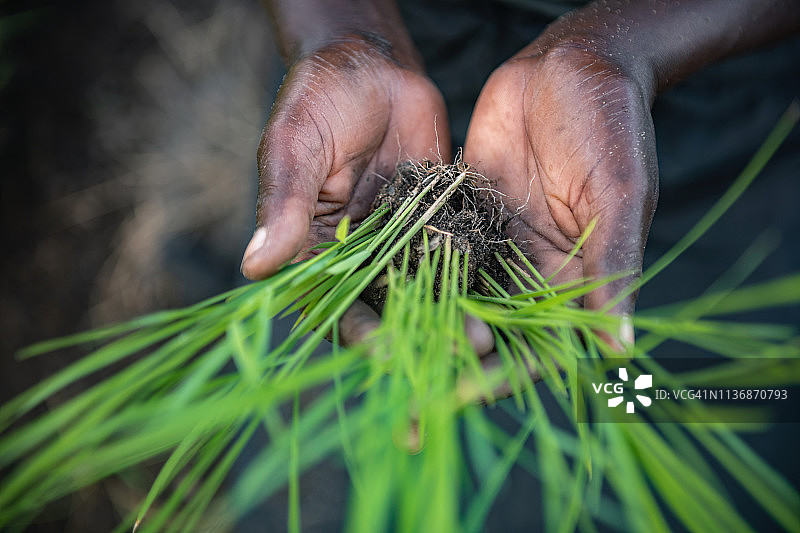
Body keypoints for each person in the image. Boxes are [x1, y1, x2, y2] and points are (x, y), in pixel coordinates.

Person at [239, 0, 800, 352]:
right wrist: (346, 30)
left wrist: (619, 49)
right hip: (380, 92)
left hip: (687, 92)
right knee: (339, 367)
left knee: (644, 401)